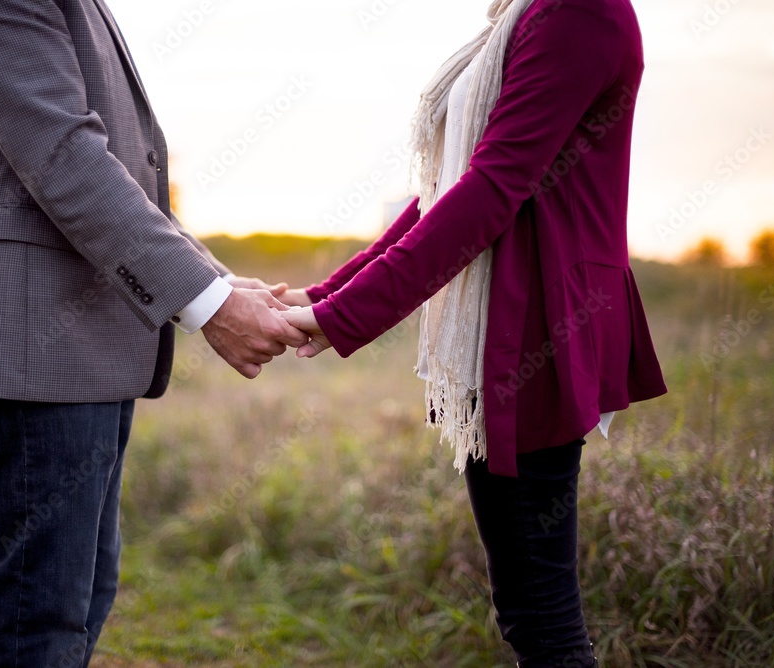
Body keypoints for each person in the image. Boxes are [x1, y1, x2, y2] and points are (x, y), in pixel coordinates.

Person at [0, 0, 306, 665]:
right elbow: (62, 154)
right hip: (33, 335)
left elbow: (120, 167)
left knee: (78, 598)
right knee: (36, 622)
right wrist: (206, 304)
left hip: (80, 334)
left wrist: (216, 282)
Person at [282, 0, 667, 665]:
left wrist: (342, 315)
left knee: (540, 616)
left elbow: (493, 186)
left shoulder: (578, 10)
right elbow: (450, 191)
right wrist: (328, 297)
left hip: (540, 326)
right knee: (530, 607)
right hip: (506, 317)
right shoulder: (526, 13)